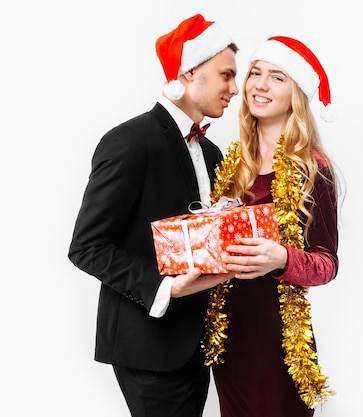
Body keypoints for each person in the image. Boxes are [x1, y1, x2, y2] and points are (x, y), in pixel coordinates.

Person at [68, 14, 239, 417]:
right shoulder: (129, 141)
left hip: (196, 342)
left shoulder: (211, 153)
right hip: (148, 342)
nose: (235, 89)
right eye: (226, 76)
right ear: (191, 71)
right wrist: (167, 288)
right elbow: (86, 247)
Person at [203, 35, 341, 417]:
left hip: (279, 341)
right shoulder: (231, 167)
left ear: (296, 93)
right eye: (256, 73)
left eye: (277, 77)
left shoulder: (312, 169)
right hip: (228, 339)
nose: (260, 85)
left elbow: (327, 263)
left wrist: (282, 258)